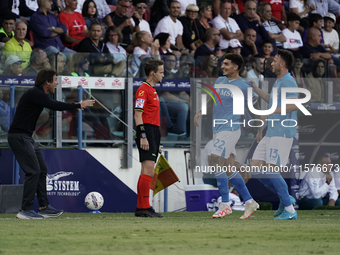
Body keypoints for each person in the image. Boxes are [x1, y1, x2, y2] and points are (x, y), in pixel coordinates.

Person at [7, 68, 94, 219]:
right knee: (33, 171)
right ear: (47, 82)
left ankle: (44, 207)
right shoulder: (36, 93)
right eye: (55, 80)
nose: (57, 83)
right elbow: (55, 105)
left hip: (27, 137)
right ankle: (25, 210)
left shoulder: (38, 95)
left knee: (41, 170)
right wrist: (78, 104)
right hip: (19, 137)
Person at [194, 53, 260, 219]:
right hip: (218, 129)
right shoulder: (220, 81)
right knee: (229, 169)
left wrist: (260, 128)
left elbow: (254, 108)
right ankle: (250, 201)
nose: (222, 66)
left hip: (231, 129)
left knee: (215, 161)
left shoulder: (245, 85)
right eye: (222, 63)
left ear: (235, 67)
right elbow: (213, 99)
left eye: (226, 64)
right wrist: (202, 110)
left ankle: (225, 204)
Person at [250, 49, 299, 220]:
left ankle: (290, 210)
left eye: (275, 60)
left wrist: (270, 112)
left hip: (283, 131)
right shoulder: (279, 81)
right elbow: (272, 99)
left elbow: (294, 105)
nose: (271, 63)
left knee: (272, 170)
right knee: (255, 167)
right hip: (271, 131)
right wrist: (256, 89)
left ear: (282, 64)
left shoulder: (288, 81)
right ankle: (285, 198)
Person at [134, 59, 164, 218]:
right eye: (161, 72)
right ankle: (145, 207)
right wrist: (143, 136)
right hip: (146, 131)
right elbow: (137, 115)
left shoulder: (152, 90)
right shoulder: (142, 90)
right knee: (148, 170)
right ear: (153, 73)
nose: (163, 75)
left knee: (145, 171)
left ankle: (141, 207)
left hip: (153, 132)